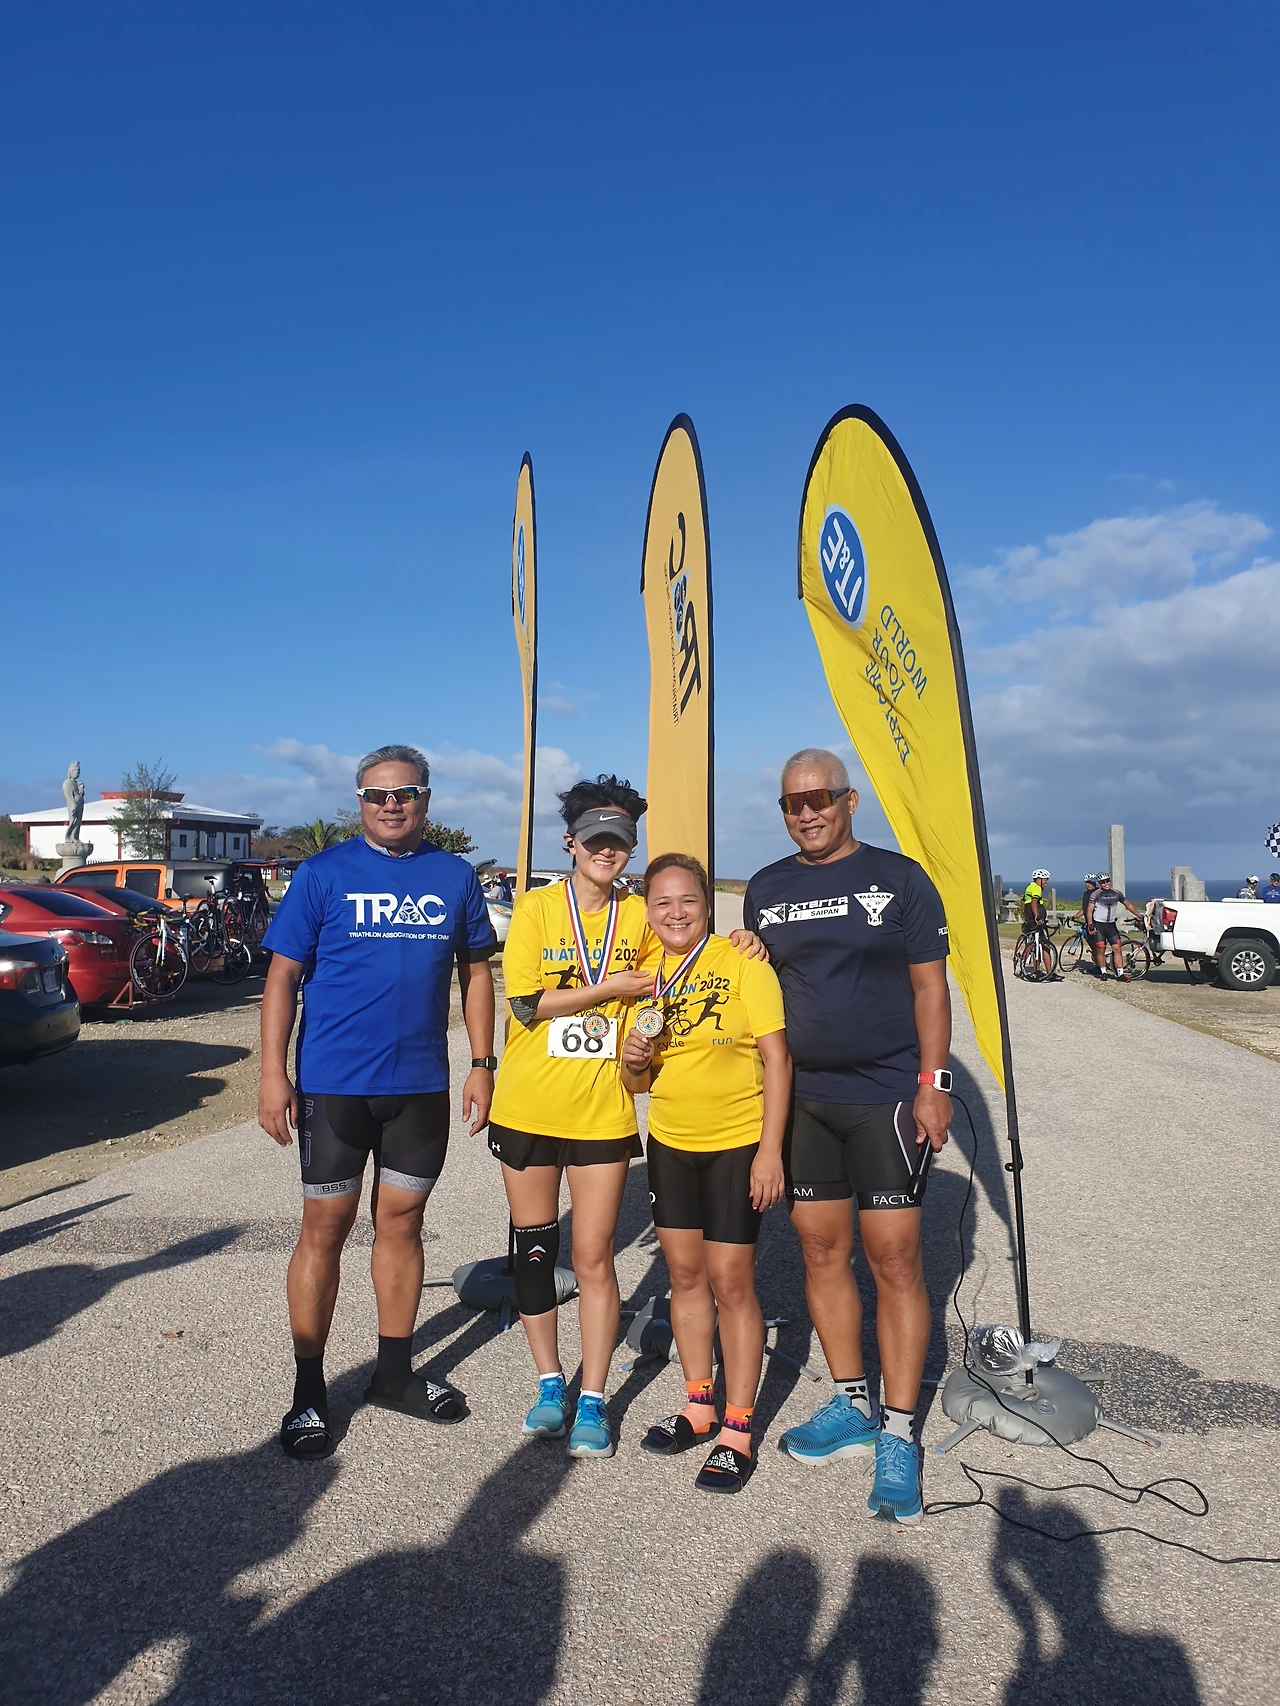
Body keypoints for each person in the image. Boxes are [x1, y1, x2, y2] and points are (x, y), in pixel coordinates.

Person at [488, 775, 765, 1460]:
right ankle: (549, 1384)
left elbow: (684, 948)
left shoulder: (639, 913)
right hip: (528, 1104)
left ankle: (593, 1397)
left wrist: (742, 941)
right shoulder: (536, 908)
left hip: (601, 1110)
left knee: (593, 1255)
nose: (606, 851)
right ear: (569, 843)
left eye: (618, 841)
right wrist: (608, 987)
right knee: (534, 1252)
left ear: (630, 847)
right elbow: (523, 1004)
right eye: (594, 841)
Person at [259, 745, 498, 1458]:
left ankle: (394, 1375)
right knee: (325, 1230)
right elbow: (281, 978)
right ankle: (309, 1390)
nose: (392, 805)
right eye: (377, 795)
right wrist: (272, 1074)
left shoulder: (454, 876)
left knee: (402, 1225)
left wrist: (481, 1064)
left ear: (425, 799)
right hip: (335, 1086)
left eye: (406, 792)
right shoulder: (322, 873)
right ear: (360, 801)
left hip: (418, 1086)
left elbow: (475, 973)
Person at [744, 749, 952, 1527]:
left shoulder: (899, 879)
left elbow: (930, 987)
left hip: (886, 1096)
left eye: (820, 798)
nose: (806, 812)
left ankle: (899, 1432)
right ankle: (852, 1402)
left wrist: (934, 1083)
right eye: (792, 803)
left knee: (894, 1258)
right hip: (804, 1101)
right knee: (820, 1250)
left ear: (849, 800)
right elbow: (760, 988)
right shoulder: (766, 888)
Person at [619, 854, 791, 1495]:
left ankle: (738, 1427)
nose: (676, 912)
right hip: (670, 1143)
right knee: (685, 1277)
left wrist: (770, 1151)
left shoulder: (743, 962)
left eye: (687, 899)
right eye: (662, 902)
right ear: (648, 909)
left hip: (736, 1142)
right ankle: (699, 1405)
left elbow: (778, 1060)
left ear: (707, 904)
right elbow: (638, 1083)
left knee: (731, 1281)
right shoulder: (644, 977)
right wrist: (635, 1058)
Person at [1085, 872, 1143, 980]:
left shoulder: (1116, 893)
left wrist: (1139, 915)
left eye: (1108, 881)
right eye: (1103, 882)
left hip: (1111, 925)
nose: (1106, 883)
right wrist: (1090, 924)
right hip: (1099, 925)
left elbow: (1128, 904)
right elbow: (1089, 910)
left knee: (1117, 949)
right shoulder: (1095, 894)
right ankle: (1103, 972)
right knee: (1101, 949)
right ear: (1098, 884)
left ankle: (1120, 974)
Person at [1021, 869, 1060, 980]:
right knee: (1045, 946)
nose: (1046, 882)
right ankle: (1049, 973)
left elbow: (1023, 901)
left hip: (1030, 920)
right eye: (1045, 880)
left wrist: (1026, 916)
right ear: (1038, 880)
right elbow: (1034, 902)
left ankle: (1036, 971)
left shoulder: (1029, 887)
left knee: (1035, 945)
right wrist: (1037, 916)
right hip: (1037, 921)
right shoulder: (1037, 888)